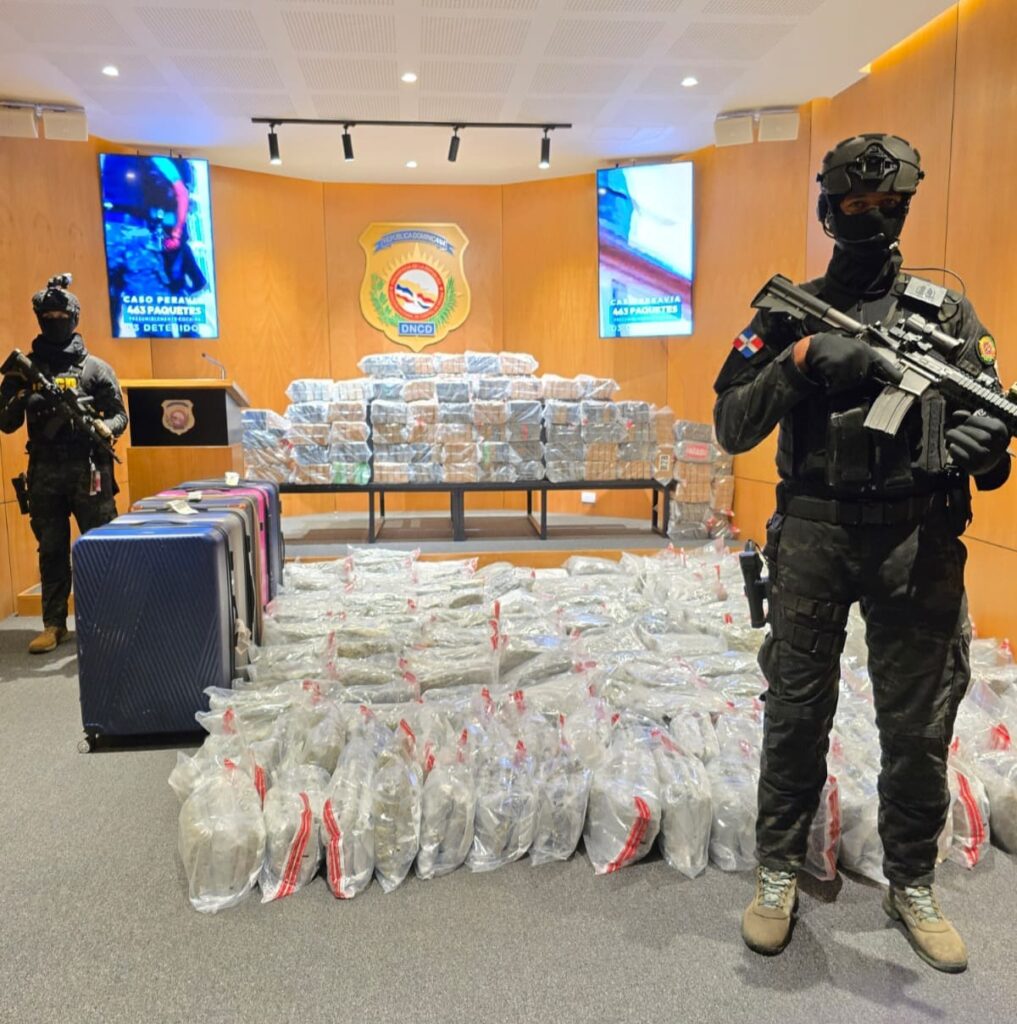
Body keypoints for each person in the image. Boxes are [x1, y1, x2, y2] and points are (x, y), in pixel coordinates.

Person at [713, 134, 1011, 973]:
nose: (874, 219)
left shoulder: (945, 318)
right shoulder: (789, 313)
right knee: (795, 711)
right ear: (827, 210)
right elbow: (731, 424)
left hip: (917, 540)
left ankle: (910, 880)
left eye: (889, 206)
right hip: (815, 534)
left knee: (918, 724)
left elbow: (987, 428)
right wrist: (801, 362)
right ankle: (778, 870)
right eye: (856, 205)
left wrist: (986, 451)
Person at [0, 274, 128, 653]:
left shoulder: (96, 369)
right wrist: (24, 397)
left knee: (101, 549)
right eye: (48, 316)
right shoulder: (23, 370)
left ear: (74, 317)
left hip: (89, 471)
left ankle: (108, 621)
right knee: (51, 550)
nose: (55, 321)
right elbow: (5, 422)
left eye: (61, 316)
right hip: (44, 473)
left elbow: (120, 415)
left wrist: (104, 427)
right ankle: (54, 624)